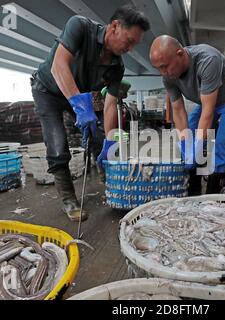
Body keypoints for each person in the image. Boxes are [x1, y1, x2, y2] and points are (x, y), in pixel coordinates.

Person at [31, 5, 150, 222]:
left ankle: (110, 180)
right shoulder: (79, 27)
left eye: (135, 44)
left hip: (81, 95)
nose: (131, 48)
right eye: (129, 40)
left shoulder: (117, 66)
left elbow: (110, 104)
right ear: (115, 26)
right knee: (57, 144)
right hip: (48, 90)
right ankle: (68, 198)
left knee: (98, 137)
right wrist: (79, 105)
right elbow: (59, 65)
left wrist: (109, 139)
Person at [150, 35, 225, 195]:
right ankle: (194, 184)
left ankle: (214, 185)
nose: (164, 73)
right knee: (191, 127)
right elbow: (178, 110)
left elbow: (208, 113)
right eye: (159, 69)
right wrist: (185, 144)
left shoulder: (208, 60)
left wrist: (197, 146)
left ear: (180, 54)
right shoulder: (168, 77)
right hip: (208, 102)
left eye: (165, 66)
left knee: (223, 138)